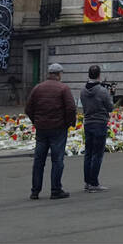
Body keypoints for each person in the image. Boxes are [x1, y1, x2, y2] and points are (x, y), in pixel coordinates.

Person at [26, 63, 77, 200]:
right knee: (57, 160)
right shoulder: (63, 88)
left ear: (49, 73)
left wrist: (35, 121)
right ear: (59, 74)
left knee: (39, 160)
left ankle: (35, 191)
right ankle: (55, 190)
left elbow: (28, 108)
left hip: (41, 129)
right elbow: (71, 108)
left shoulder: (38, 88)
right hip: (58, 129)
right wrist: (69, 123)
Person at [80, 65, 114, 192]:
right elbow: (110, 107)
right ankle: (94, 182)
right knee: (97, 154)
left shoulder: (83, 90)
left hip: (88, 122)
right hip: (99, 123)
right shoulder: (102, 91)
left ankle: (87, 182)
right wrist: (110, 94)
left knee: (88, 153)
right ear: (99, 75)